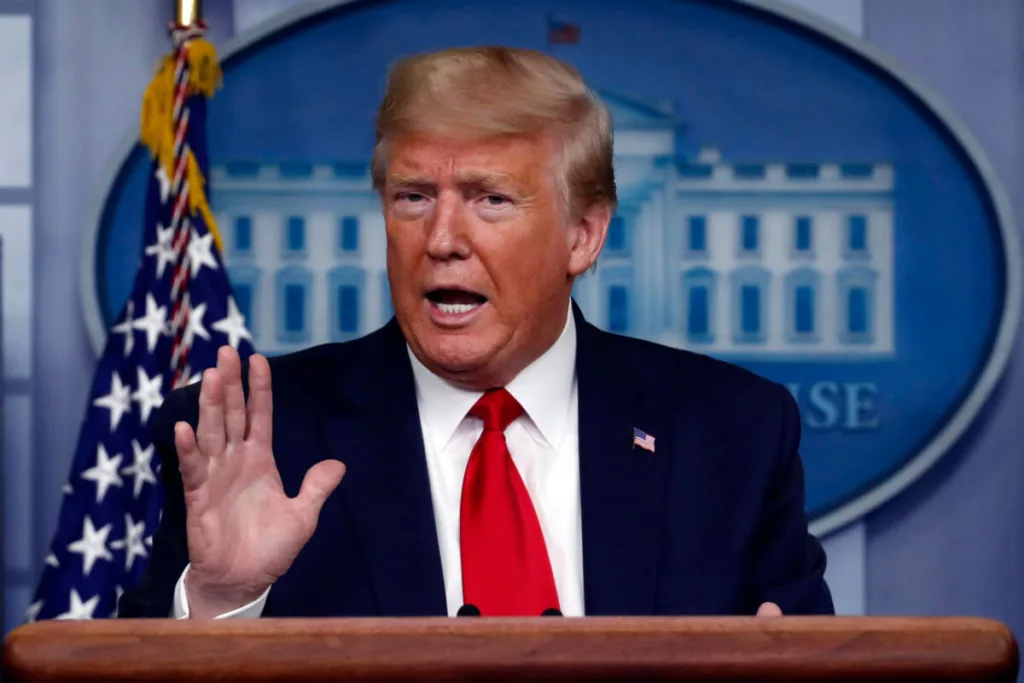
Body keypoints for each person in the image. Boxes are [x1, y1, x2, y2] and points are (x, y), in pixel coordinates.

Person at [117, 46, 833, 620]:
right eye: (413, 198)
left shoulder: (733, 433)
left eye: (491, 199)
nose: (442, 239)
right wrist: (219, 604)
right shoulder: (258, 437)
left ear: (582, 236)